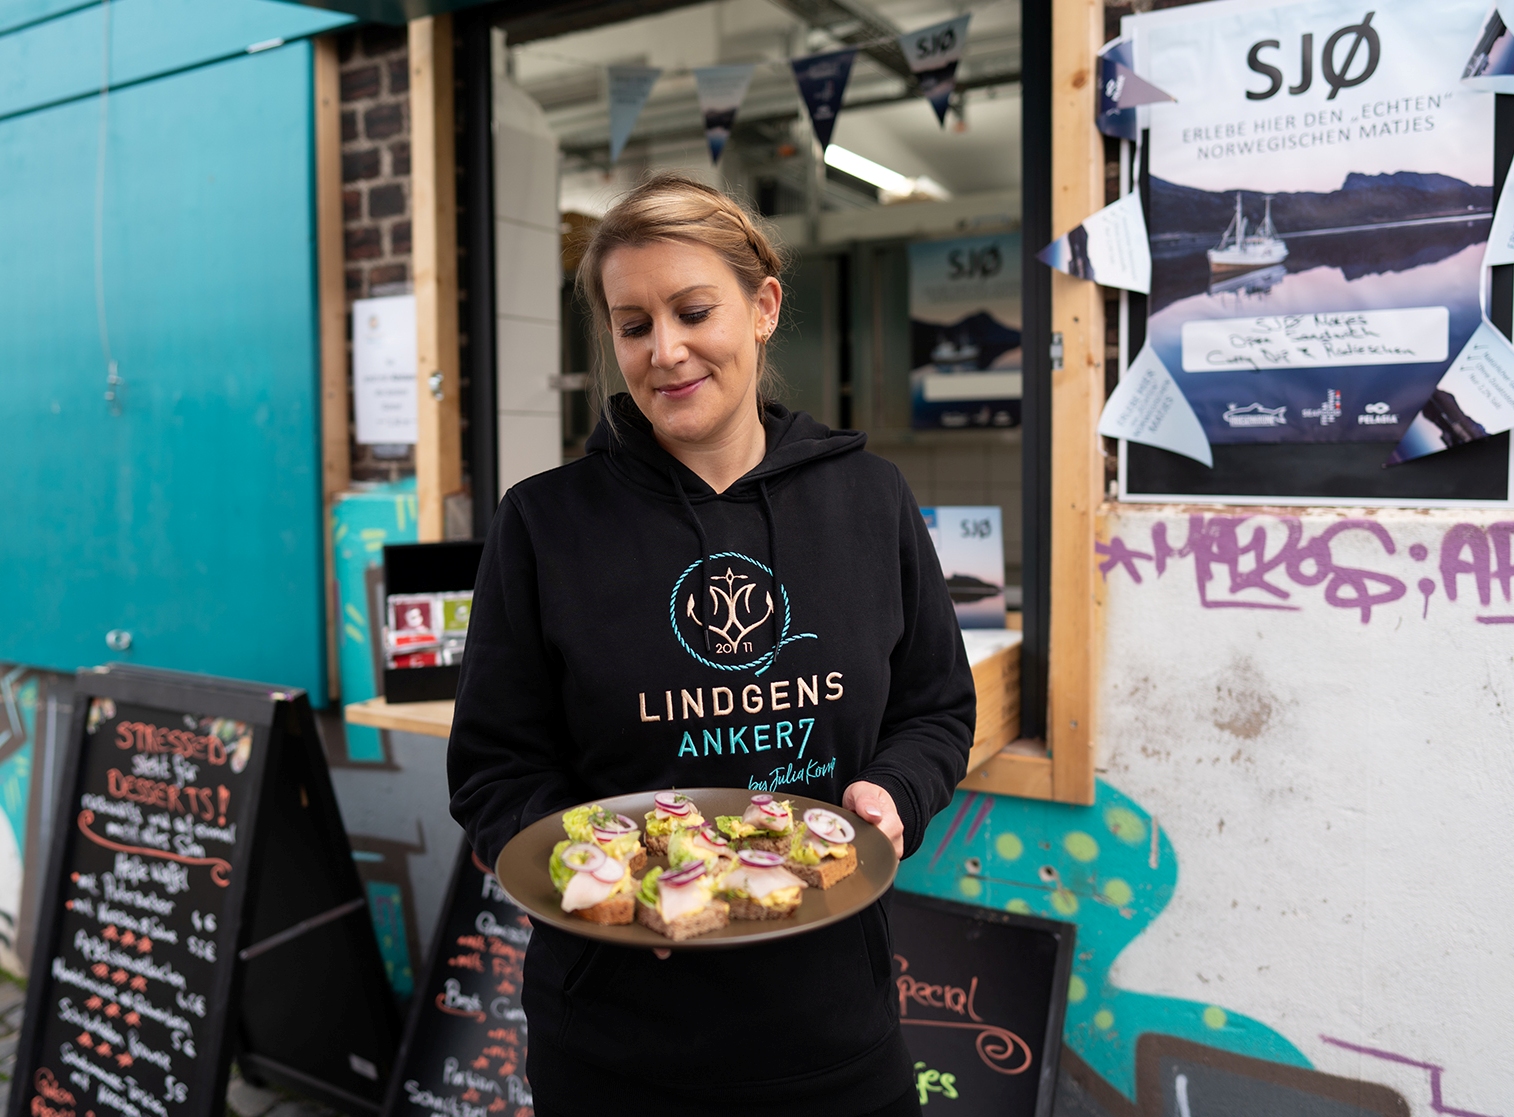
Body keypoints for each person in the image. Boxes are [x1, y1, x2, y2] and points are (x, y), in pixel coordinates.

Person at [448, 172, 975, 1117]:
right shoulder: (543, 525)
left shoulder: (870, 501)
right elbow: (494, 767)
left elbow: (935, 708)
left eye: (694, 310)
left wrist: (895, 792)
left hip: (834, 1031)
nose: (666, 350)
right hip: (615, 1044)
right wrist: (602, 867)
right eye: (633, 323)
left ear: (764, 306)